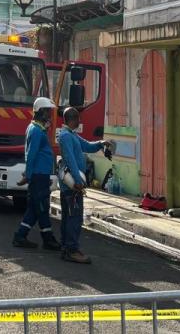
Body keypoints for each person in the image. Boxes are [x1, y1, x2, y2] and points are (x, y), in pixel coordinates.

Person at [56, 107, 111, 264]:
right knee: (74, 218)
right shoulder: (66, 136)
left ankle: (67, 247)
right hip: (72, 186)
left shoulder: (71, 135)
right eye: (78, 118)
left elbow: (87, 146)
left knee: (69, 217)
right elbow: (70, 159)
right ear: (73, 119)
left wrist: (100, 143)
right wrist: (78, 181)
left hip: (72, 185)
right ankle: (72, 250)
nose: (80, 121)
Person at [12, 97, 60, 251]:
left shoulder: (36, 128)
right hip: (38, 175)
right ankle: (48, 239)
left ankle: (20, 236)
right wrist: (28, 174)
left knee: (34, 209)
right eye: (47, 111)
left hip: (40, 175)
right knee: (42, 207)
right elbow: (31, 155)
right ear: (40, 112)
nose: (49, 115)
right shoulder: (37, 131)